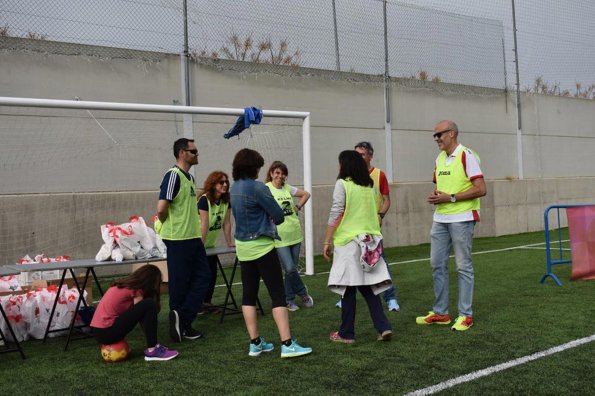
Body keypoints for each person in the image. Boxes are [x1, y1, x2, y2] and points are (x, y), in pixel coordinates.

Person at [230, 148, 312, 358]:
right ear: (252, 167)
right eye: (258, 166)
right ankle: (287, 344)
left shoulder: (234, 188)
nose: (260, 170)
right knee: (277, 294)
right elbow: (279, 215)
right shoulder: (257, 188)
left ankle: (255, 342)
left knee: (249, 295)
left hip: (243, 249)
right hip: (263, 247)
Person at [416, 120, 486, 331]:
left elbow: (481, 189)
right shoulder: (439, 158)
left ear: (452, 134)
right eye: (434, 136)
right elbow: (442, 188)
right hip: (441, 219)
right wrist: (438, 196)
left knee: (463, 266)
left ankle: (466, 315)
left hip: (462, 219)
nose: (436, 139)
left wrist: (451, 198)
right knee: (437, 264)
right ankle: (441, 313)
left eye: (439, 134)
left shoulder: (467, 155)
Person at [323, 150, 393, 343]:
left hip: (348, 243)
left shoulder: (342, 184)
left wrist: (327, 240)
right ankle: (383, 326)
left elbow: (336, 213)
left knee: (347, 289)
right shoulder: (369, 186)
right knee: (368, 288)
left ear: (345, 165)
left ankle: (346, 333)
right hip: (368, 242)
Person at [156, 138, 210, 342]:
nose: (197, 154)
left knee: (204, 278)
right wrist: (165, 224)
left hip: (193, 238)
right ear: (181, 153)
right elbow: (161, 208)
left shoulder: (189, 178)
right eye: (193, 151)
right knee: (179, 284)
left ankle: (182, 318)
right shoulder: (173, 175)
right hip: (178, 239)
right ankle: (182, 325)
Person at [90, 265, 178, 361]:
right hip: (107, 332)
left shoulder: (124, 285)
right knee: (149, 304)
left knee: (147, 305)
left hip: (99, 332)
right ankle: (153, 350)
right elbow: (142, 315)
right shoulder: (136, 290)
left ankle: (153, 347)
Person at [265, 161, 313, 311]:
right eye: (277, 173)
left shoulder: (287, 188)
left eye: (282, 173)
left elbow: (306, 194)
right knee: (290, 268)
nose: (280, 176)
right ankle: (303, 293)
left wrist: (298, 206)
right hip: (279, 237)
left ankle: (289, 299)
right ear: (271, 173)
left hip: (295, 234)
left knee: (290, 271)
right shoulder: (266, 189)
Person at [197, 170, 235, 315]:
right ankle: (197, 305)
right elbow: (204, 224)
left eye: (226, 182)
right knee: (202, 275)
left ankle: (206, 303)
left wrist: (229, 242)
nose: (225, 185)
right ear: (213, 185)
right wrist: (200, 246)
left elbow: (226, 223)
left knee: (212, 274)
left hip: (210, 245)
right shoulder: (204, 200)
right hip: (199, 243)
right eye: (221, 182)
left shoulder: (226, 200)